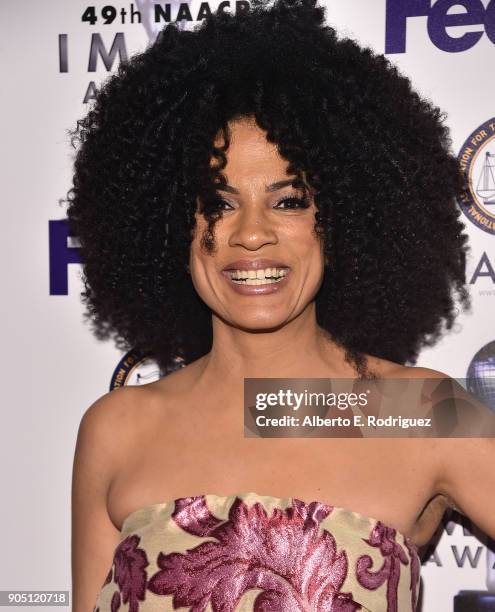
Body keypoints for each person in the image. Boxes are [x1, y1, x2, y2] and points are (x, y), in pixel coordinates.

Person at [68, 0, 495, 610]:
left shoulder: (421, 411)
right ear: (168, 225)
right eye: (218, 202)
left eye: (289, 200)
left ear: (345, 216)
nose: (251, 232)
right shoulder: (117, 429)